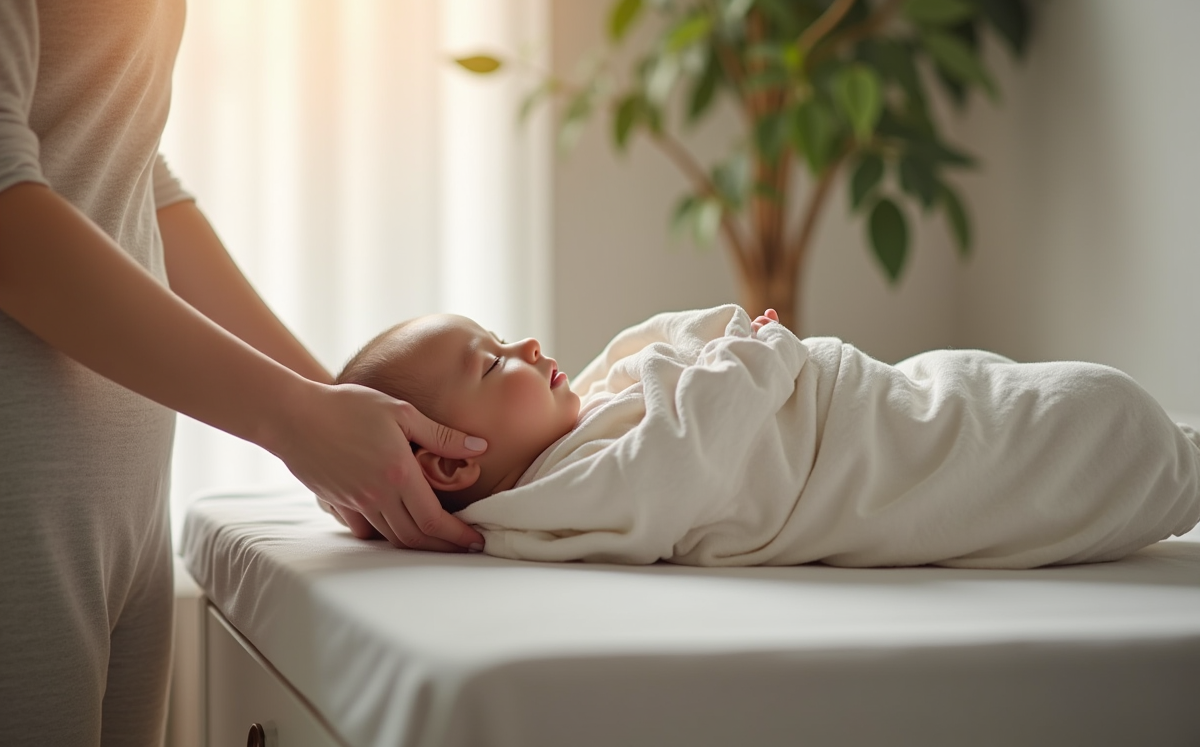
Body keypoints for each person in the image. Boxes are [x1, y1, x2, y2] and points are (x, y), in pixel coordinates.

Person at [0, 0, 485, 744]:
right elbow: (8, 215)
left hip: (117, 503)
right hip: (18, 498)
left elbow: (128, 171)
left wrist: (351, 418)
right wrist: (294, 419)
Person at [334, 304, 1200, 569]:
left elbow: (657, 346)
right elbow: (687, 456)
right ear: (452, 460)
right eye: (492, 366)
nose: (523, 347)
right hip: (874, 455)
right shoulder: (555, 502)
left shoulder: (583, 420)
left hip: (882, 402)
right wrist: (754, 354)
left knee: (971, 393)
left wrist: (723, 339)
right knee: (1038, 431)